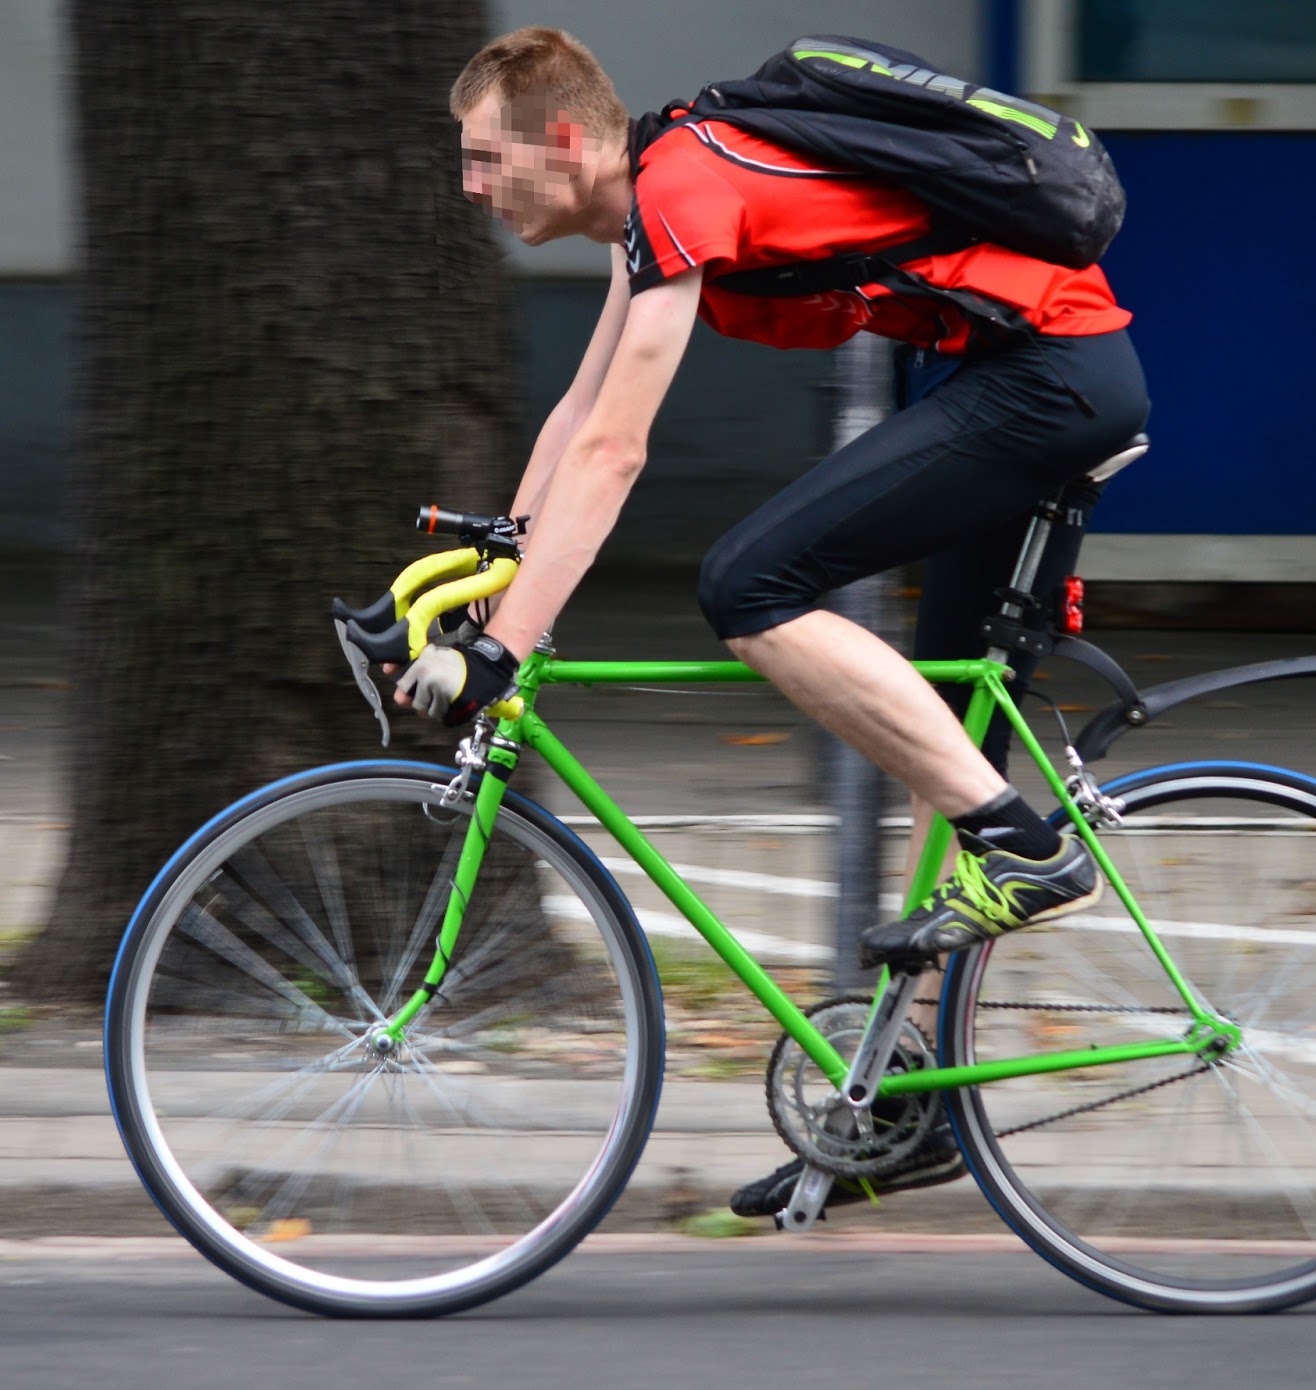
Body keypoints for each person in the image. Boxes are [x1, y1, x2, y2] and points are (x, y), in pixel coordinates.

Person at [397, 26, 1150, 1217]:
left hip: (1046, 378)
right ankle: (910, 1109)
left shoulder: (681, 185)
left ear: (561, 140)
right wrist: (489, 590)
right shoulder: (652, 203)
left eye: (486, 157)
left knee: (747, 585)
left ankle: (1024, 848)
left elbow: (617, 449)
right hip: (1025, 373)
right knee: (941, 729)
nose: (469, 184)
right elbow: (574, 418)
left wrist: (503, 650)